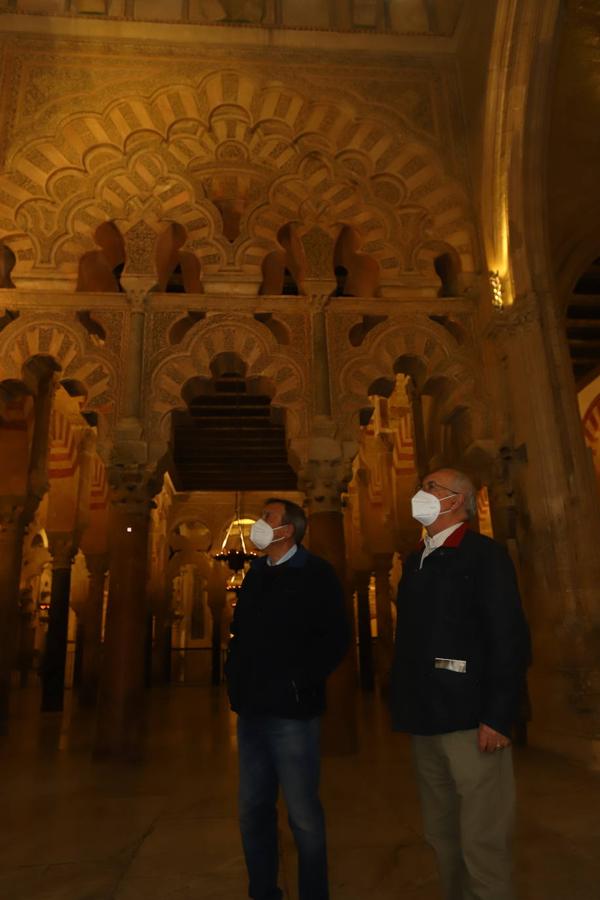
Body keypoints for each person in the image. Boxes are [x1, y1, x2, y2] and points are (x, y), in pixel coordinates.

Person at [390, 468, 530, 900]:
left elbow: (508, 637)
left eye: (432, 487)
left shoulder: (482, 555)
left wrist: (499, 716)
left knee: (482, 840)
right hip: (426, 720)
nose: (423, 493)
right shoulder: (416, 560)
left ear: (457, 501)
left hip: (472, 722)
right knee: (441, 834)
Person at [225, 498, 348, 900]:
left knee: (303, 816)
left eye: (268, 517)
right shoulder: (257, 572)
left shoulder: (316, 573)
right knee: (252, 811)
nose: (260, 523)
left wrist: (299, 682)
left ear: (288, 530)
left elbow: (337, 638)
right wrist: (236, 684)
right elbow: (241, 636)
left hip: (293, 714)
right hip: (253, 712)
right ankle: (263, 891)